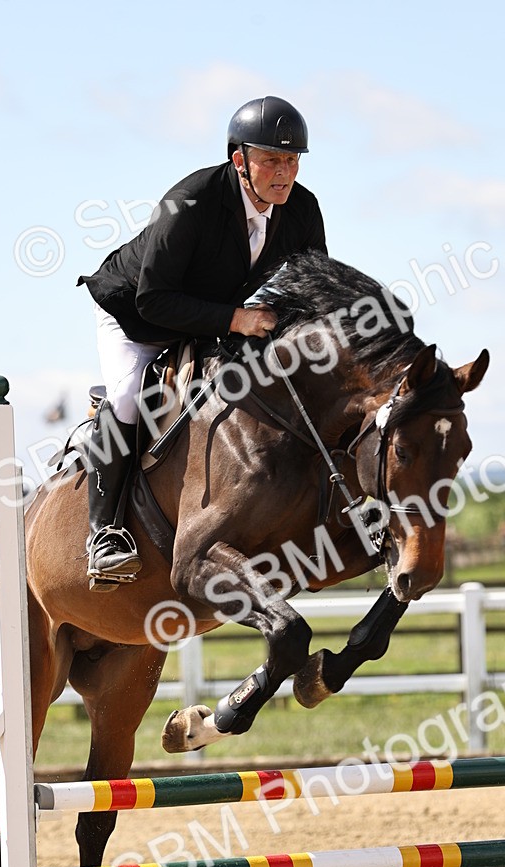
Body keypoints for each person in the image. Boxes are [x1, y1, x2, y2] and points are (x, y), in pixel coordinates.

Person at [77, 95, 328, 588]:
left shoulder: (301, 209)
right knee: (129, 397)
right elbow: (155, 300)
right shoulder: (190, 201)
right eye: (272, 159)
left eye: (293, 160)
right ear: (240, 160)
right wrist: (236, 320)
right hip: (138, 316)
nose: (285, 172)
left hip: (215, 318)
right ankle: (102, 535)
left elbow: (312, 288)